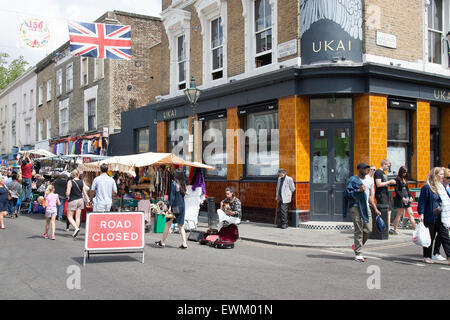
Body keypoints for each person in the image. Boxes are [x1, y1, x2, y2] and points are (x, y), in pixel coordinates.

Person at [344, 163, 381, 262]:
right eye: (364, 168)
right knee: (358, 230)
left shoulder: (370, 180)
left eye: (367, 168)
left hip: (366, 207)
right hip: (355, 207)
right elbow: (347, 194)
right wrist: (358, 191)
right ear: (359, 169)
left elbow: (370, 196)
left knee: (368, 229)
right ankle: (358, 253)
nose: (367, 170)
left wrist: (375, 209)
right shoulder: (353, 180)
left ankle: (356, 245)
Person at [417, 167, 450, 265]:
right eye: (441, 174)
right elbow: (422, 202)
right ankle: (427, 256)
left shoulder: (441, 186)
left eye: (443, 174)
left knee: (445, 236)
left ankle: (449, 257)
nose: (443, 176)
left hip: (441, 216)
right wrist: (421, 214)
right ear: (435, 175)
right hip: (429, 216)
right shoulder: (427, 187)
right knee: (429, 237)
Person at [155, 170, 188, 249]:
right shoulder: (183, 184)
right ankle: (184, 243)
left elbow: (172, 196)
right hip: (182, 206)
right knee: (181, 225)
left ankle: (162, 242)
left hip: (174, 207)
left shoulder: (174, 183)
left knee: (167, 224)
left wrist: (169, 207)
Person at [66, 169, 90, 238]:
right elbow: (85, 193)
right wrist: (87, 200)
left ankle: (76, 228)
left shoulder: (70, 182)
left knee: (69, 216)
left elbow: (67, 193)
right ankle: (75, 231)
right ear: (78, 174)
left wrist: (67, 194)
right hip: (80, 200)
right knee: (77, 216)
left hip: (73, 200)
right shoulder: (81, 182)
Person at [374, 159, 396, 234]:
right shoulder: (378, 172)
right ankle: (383, 228)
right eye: (387, 166)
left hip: (385, 194)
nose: (388, 168)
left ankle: (387, 228)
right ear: (383, 164)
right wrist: (389, 182)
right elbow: (378, 184)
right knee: (384, 211)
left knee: (389, 210)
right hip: (381, 194)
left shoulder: (383, 173)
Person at [392, 166, 416, 234]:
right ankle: (395, 229)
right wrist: (402, 198)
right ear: (401, 172)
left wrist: (410, 196)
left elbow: (407, 189)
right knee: (399, 214)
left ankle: (415, 229)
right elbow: (397, 190)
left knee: (411, 214)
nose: (405, 174)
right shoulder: (397, 179)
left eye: (406, 172)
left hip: (406, 197)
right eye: (404, 172)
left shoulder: (405, 179)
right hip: (400, 199)